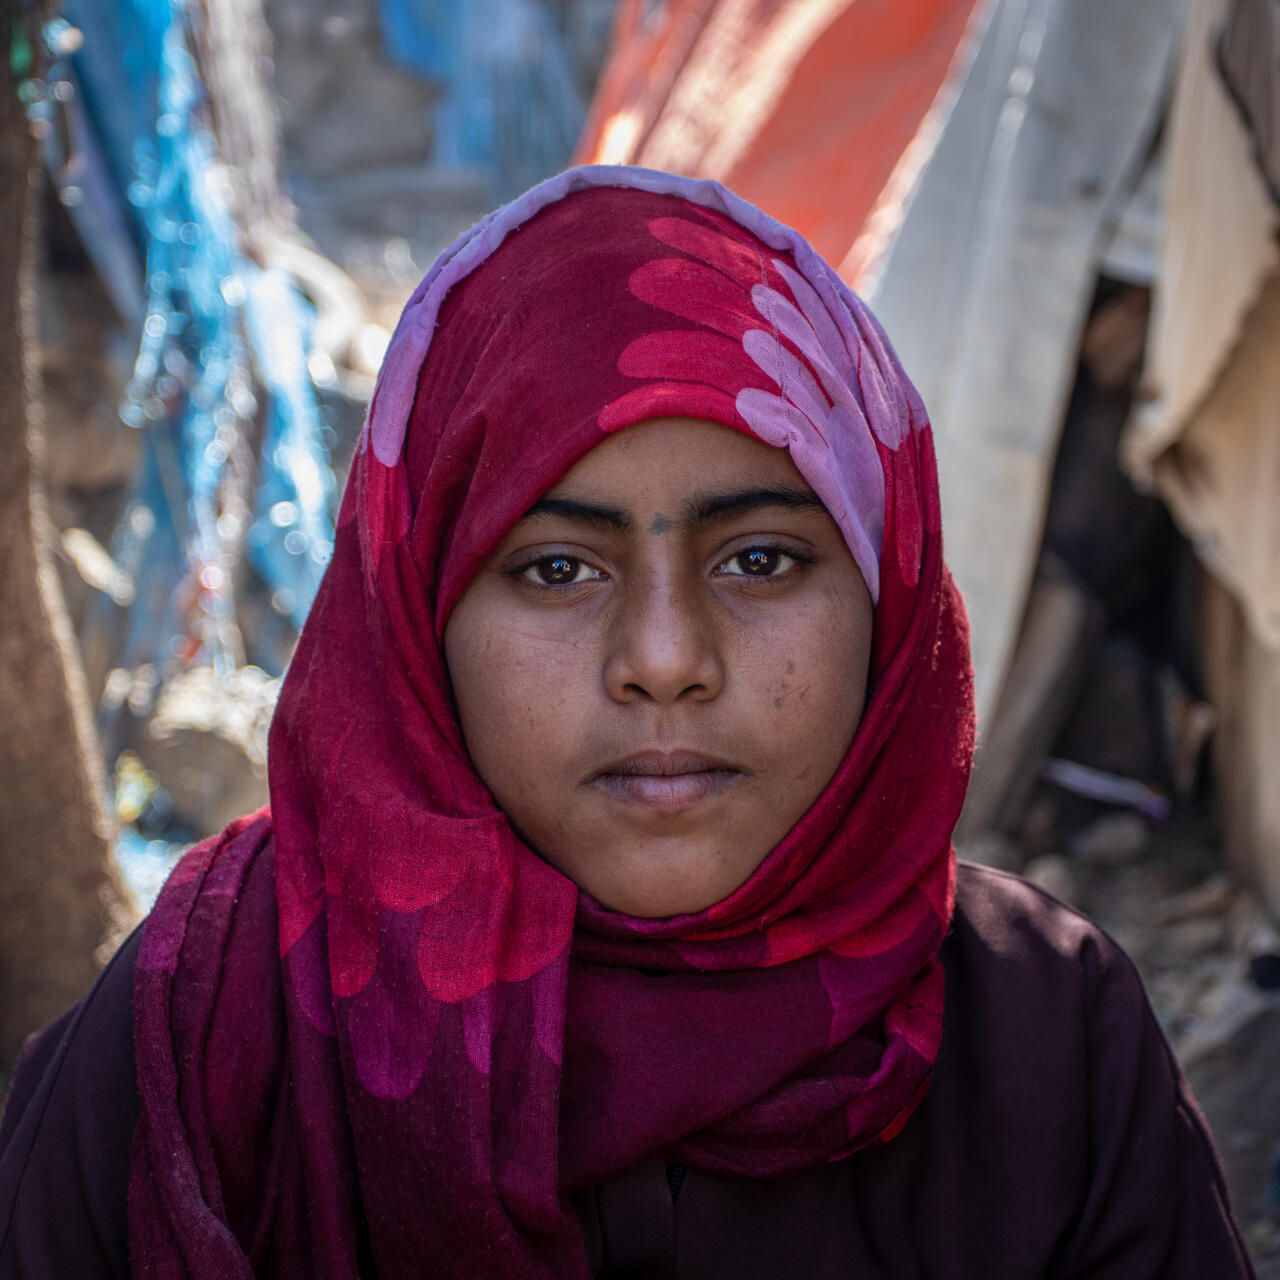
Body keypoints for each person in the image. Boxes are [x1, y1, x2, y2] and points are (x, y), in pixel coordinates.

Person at [0, 166, 1253, 1278]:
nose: (664, 660)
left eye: (759, 558)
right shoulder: (211, 1027)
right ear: (415, 614)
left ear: (891, 591)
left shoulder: (1039, 1035)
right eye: (555, 568)